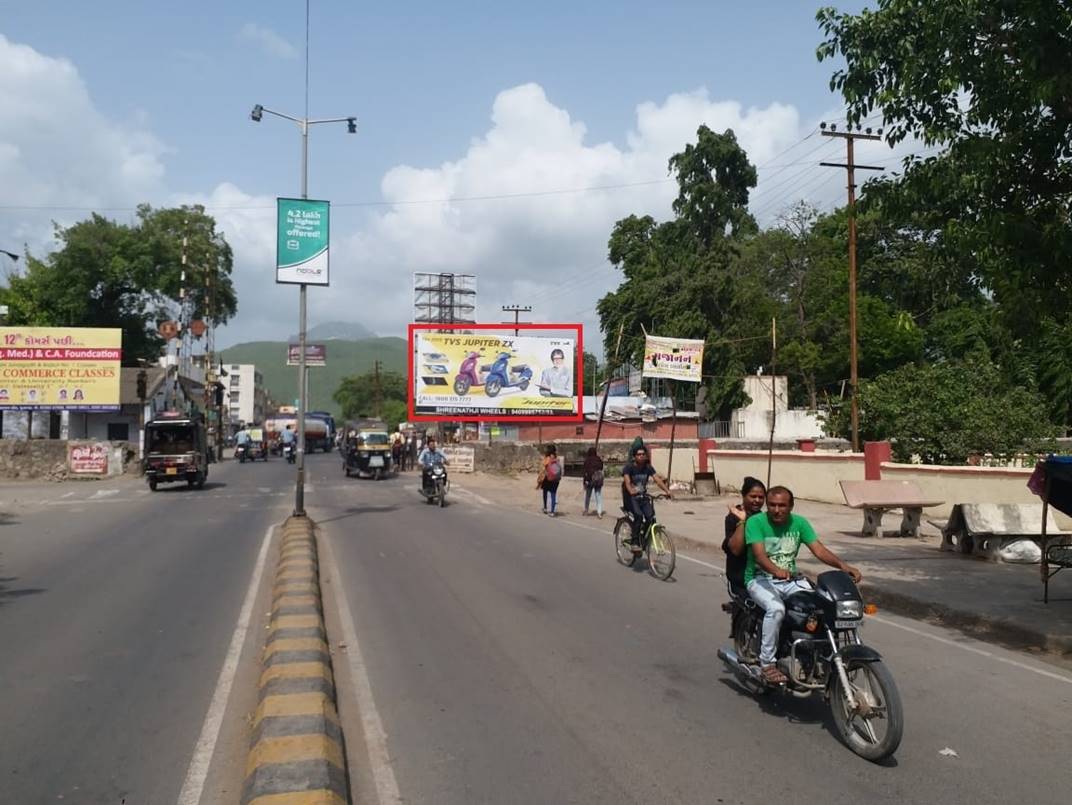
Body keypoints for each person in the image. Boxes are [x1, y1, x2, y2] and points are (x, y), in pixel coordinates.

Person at [745, 485, 861, 684]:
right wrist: (775, 570)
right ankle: (767, 663)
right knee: (777, 609)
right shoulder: (756, 522)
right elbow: (759, 556)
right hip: (759, 579)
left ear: (791, 506)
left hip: (790, 580)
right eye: (772, 505)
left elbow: (819, 550)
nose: (776, 510)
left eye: (782, 505)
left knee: (821, 605)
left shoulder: (799, 523)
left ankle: (818, 652)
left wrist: (843, 566)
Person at [622, 446, 672, 552]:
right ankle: (635, 542)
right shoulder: (629, 467)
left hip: (643, 497)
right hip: (631, 498)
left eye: (643, 454)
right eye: (638, 454)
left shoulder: (648, 467)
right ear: (634, 456)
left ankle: (643, 540)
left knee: (650, 517)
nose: (641, 456)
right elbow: (627, 482)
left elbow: (657, 479)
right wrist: (631, 490)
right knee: (639, 516)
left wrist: (667, 491)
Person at [723, 477, 767, 594]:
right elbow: (736, 550)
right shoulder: (733, 517)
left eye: (761, 497)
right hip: (741, 575)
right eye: (753, 496)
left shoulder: (764, 518)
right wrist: (743, 521)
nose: (757, 500)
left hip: (762, 573)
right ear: (743, 495)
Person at [536, 445, 563, 516]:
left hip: (548, 478)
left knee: (545, 492)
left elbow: (543, 467)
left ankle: (545, 507)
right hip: (556, 478)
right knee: (553, 494)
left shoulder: (547, 458)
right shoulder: (557, 458)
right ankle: (552, 511)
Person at [582, 446, 605, 518]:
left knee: (588, 496)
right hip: (598, 480)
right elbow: (601, 468)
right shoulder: (599, 460)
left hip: (590, 480)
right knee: (598, 495)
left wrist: (584, 482)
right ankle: (599, 512)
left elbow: (585, 472)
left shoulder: (587, 460)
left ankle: (586, 510)